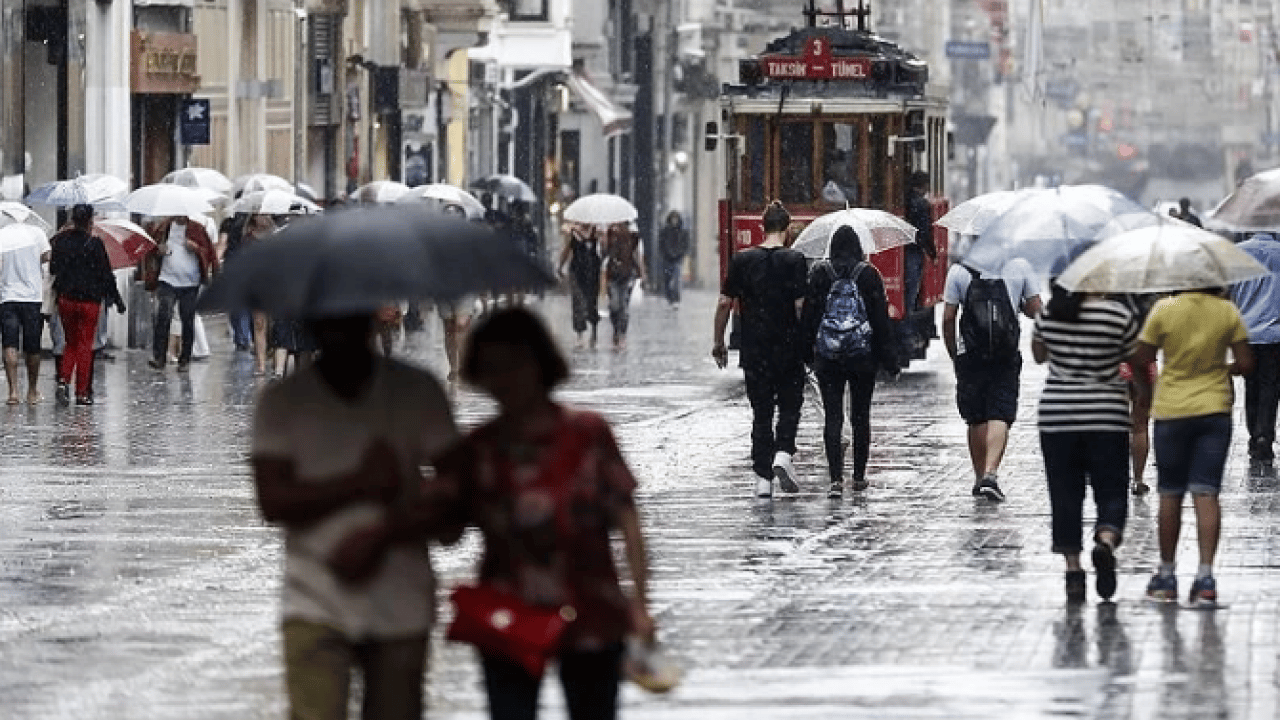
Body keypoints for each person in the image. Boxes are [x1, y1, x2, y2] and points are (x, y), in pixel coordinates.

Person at [429, 308, 655, 720]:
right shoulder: (476, 448)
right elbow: (448, 533)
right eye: (492, 368)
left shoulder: (589, 433)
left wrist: (639, 603)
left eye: (514, 364)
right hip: (507, 612)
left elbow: (629, 522)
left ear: (540, 362)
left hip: (592, 608)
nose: (505, 379)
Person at [251, 312, 457, 720]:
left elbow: (458, 505)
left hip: (401, 605)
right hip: (314, 603)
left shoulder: (417, 392)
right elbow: (272, 502)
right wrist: (360, 482)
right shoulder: (282, 403)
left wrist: (384, 533)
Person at [1134, 287, 1253, 606]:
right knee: (1207, 492)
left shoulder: (1163, 309)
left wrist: (1147, 392)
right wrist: (1220, 369)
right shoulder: (1226, 311)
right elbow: (1245, 363)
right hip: (1214, 410)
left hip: (1172, 412)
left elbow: (1140, 358)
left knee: (1170, 493)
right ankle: (1205, 578)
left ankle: (1168, 575)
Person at [1031, 282, 1150, 604]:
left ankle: (1073, 570)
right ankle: (1106, 541)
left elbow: (1039, 356)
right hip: (1106, 415)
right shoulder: (1117, 315)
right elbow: (1136, 361)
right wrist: (1144, 393)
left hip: (1057, 417)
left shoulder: (1051, 314)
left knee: (1065, 492)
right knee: (1111, 488)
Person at [712, 200, 810, 498]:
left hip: (754, 350)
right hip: (788, 348)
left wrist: (718, 342)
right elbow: (800, 306)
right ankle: (783, 453)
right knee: (790, 406)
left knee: (761, 412)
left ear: (762, 226)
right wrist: (806, 343)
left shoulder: (742, 260)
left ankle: (762, 479)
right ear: (787, 229)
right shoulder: (795, 260)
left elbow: (723, 303)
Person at [800, 226, 899, 497]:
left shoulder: (820, 273)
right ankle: (858, 477)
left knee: (833, 417)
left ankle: (835, 480)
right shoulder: (868, 274)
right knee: (860, 416)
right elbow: (880, 320)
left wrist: (806, 354)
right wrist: (890, 359)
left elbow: (809, 317)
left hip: (828, 356)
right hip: (861, 356)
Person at [942, 257, 1042, 502]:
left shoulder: (959, 271)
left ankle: (978, 479)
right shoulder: (1020, 266)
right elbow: (1037, 309)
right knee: (1000, 412)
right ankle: (990, 474)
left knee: (976, 417)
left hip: (971, 353)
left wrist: (954, 352)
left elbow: (948, 318)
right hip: (1005, 352)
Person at [49, 204, 125, 406]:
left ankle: (64, 379)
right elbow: (106, 275)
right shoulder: (95, 244)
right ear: (90, 221)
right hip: (90, 302)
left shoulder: (61, 241)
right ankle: (82, 392)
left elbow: (53, 268)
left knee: (70, 343)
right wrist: (117, 299)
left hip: (67, 299)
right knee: (85, 345)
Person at [1228, 233, 1280, 474]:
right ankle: (1264, 436)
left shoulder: (1236, 252)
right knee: (1270, 386)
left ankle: (1253, 434)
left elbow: (1228, 293)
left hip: (1245, 333)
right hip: (1274, 333)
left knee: (1251, 385)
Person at [143, 215, 219, 372]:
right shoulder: (163, 227)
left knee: (187, 319)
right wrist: (159, 250)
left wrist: (196, 248)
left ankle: (185, 359)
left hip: (190, 282)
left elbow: (209, 252)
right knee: (164, 315)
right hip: (167, 279)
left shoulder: (197, 229)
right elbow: (150, 249)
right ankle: (159, 357)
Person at [0, 227, 50, 405]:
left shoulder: (3, 236)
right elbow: (47, 257)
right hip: (32, 297)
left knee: (9, 343)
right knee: (33, 346)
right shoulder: (36, 233)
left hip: (7, 297)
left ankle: (13, 392)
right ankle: (31, 391)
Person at [902, 171, 939, 358]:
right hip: (914, 252)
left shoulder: (906, 200)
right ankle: (906, 333)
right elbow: (924, 232)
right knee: (910, 294)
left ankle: (905, 332)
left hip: (907, 249)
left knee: (907, 294)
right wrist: (932, 252)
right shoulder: (920, 204)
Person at [557, 224, 603, 349]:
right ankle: (580, 334)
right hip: (577, 271)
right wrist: (560, 266)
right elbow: (566, 251)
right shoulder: (574, 234)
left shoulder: (597, 233)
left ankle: (594, 333)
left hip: (593, 272)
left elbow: (603, 250)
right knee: (578, 302)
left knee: (592, 303)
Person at [242, 214, 278, 375]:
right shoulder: (248, 239)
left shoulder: (277, 235)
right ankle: (261, 364)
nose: (262, 218)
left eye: (265, 214)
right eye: (259, 214)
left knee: (273, 324)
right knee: (259, 323)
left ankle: (276, 358)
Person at [603, 224, 644, 351]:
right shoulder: (610, 234)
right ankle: (616, 330)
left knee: (624, 306)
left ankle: (622, 334)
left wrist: (642, 273)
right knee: (614, 305)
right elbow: (605, 252)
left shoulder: (633, 236)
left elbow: (637, 254)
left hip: (627, 275)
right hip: (613, 275)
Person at [218, 212, 253, 351]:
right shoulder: (253, 223)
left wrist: (215, 264)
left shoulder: (228, 223)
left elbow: (222, 244)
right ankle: (244, 337)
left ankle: (241, 337)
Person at [657, 211, 690, 308]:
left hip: (677, 259)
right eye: (673, 218)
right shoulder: (665, 231)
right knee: (667, 279)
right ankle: (669, 297)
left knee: (676, 280)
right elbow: (661, 244)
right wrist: (665, 253)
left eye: (676, 218)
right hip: (667, 259)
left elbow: (685, 244)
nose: (674, 221)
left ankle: (676, 299)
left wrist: (681, 253)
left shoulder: (683, 232)